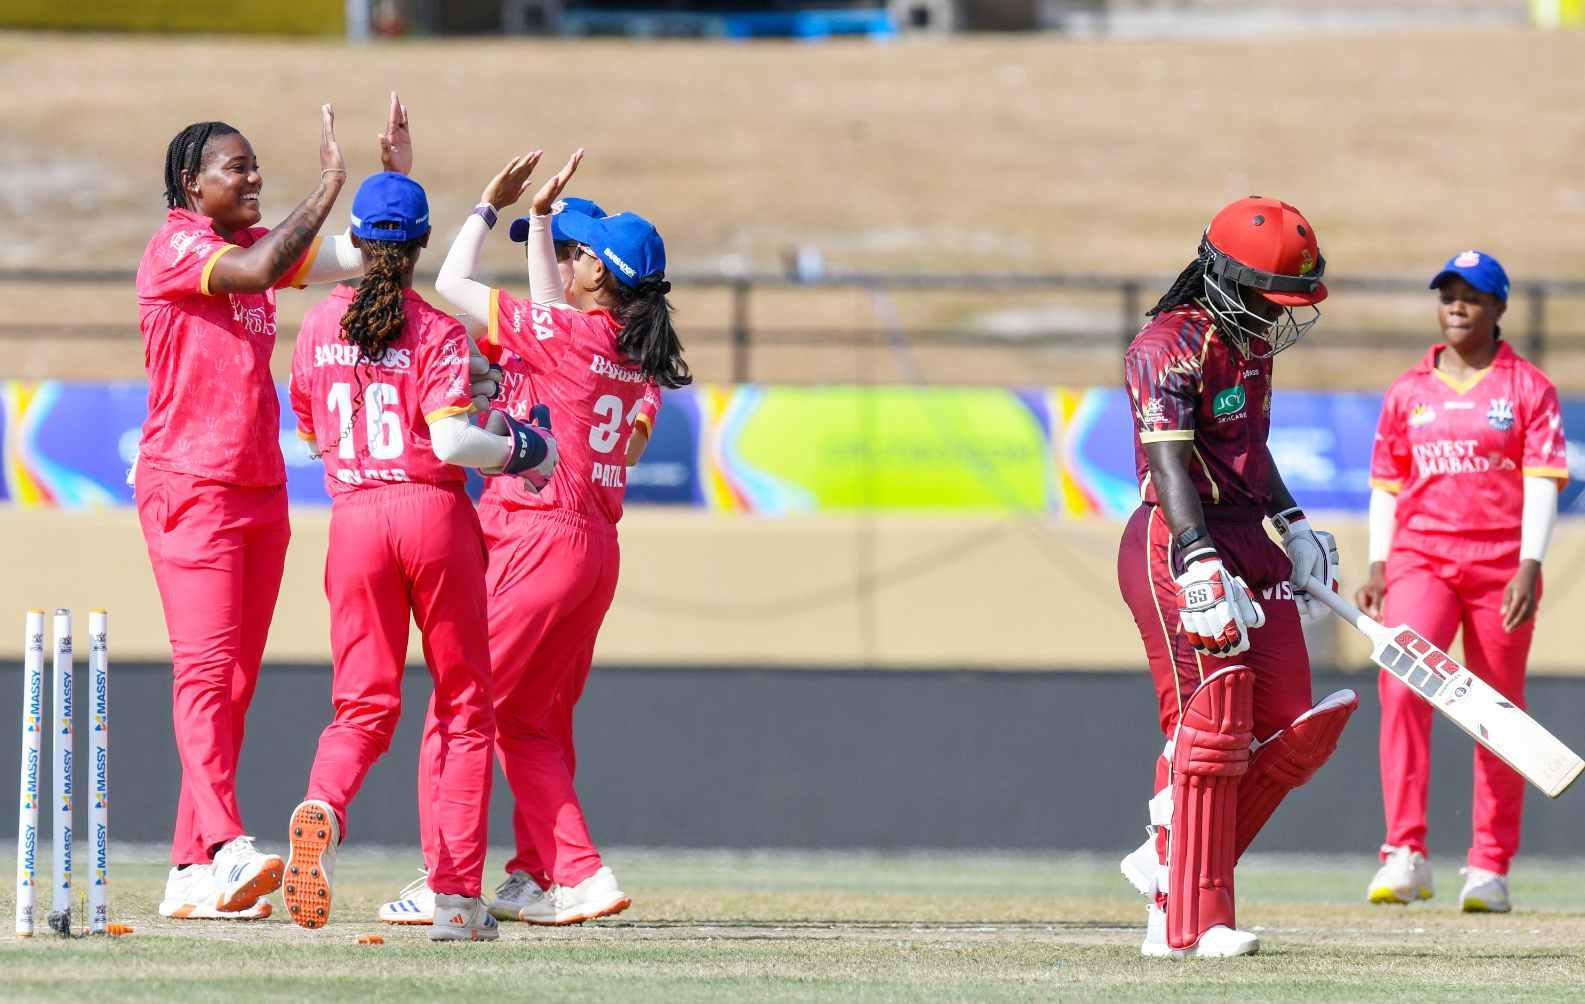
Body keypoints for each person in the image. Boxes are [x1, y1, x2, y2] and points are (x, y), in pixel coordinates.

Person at [135, 96, 416, 921]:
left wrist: (391, 186)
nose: (253, 177)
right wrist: (329, 182)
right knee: (203, 673)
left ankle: (189, 871)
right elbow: (262, 269)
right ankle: (225, 846)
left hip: (257, 487)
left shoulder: (254, 246)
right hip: (190, 484)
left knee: (233, 683)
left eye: (257, 166)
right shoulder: (178, 245)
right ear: (192, 183)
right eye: (237, 167)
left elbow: (359, 256)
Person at [409, 150, 688, 926]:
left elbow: (451, 283)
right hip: (593, 548)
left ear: (597, 270)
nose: (565, 263)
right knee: (528, 723)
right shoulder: (631, 350)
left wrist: (486, 209)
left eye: (577, 253)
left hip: (538, 539)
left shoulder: (571, 336)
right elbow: (552, 315)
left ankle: (445, 878)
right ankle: (569, 874)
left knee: (463, 707)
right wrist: (536, 222)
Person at [282, 171, 558, 940]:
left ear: (355, 241)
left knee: (361, 705)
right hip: (431, 515)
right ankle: (456, 900)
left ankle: (323, 804)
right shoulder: (435, 328)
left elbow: (313, 437)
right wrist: (525, 451)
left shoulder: (315, 325)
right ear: (423, 244)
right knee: (465, 706)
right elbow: (452, 442)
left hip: (354, 520)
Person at [1114, 196, 1358, 958]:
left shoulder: (1251, 343)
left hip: (1250, 536)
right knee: (1210, 722)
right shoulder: (1165, 346)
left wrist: (1292, 524)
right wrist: (1197, 558)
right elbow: (1169, 463)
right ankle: (1189, 919)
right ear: (1221, 276)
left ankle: (1166, 854)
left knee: (1291, 728)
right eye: (1264, 296)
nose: (1275, 314)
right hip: (1176, 537)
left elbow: (1249, 446)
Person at [1357, 251, 1566, 913]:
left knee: (1497, 711)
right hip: (1420, 557)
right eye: (1447, 295)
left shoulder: (1528, 388)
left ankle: (1488, 866)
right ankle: (1403, 852)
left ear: (1497, 307)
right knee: (1401, 686)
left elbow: (1542, 481)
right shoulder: (1408, 390)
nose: (1456, 306)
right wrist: (1378, 562)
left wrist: (1530, 562)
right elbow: (1386, 484)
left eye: (1471, 296)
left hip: (1500, 564)